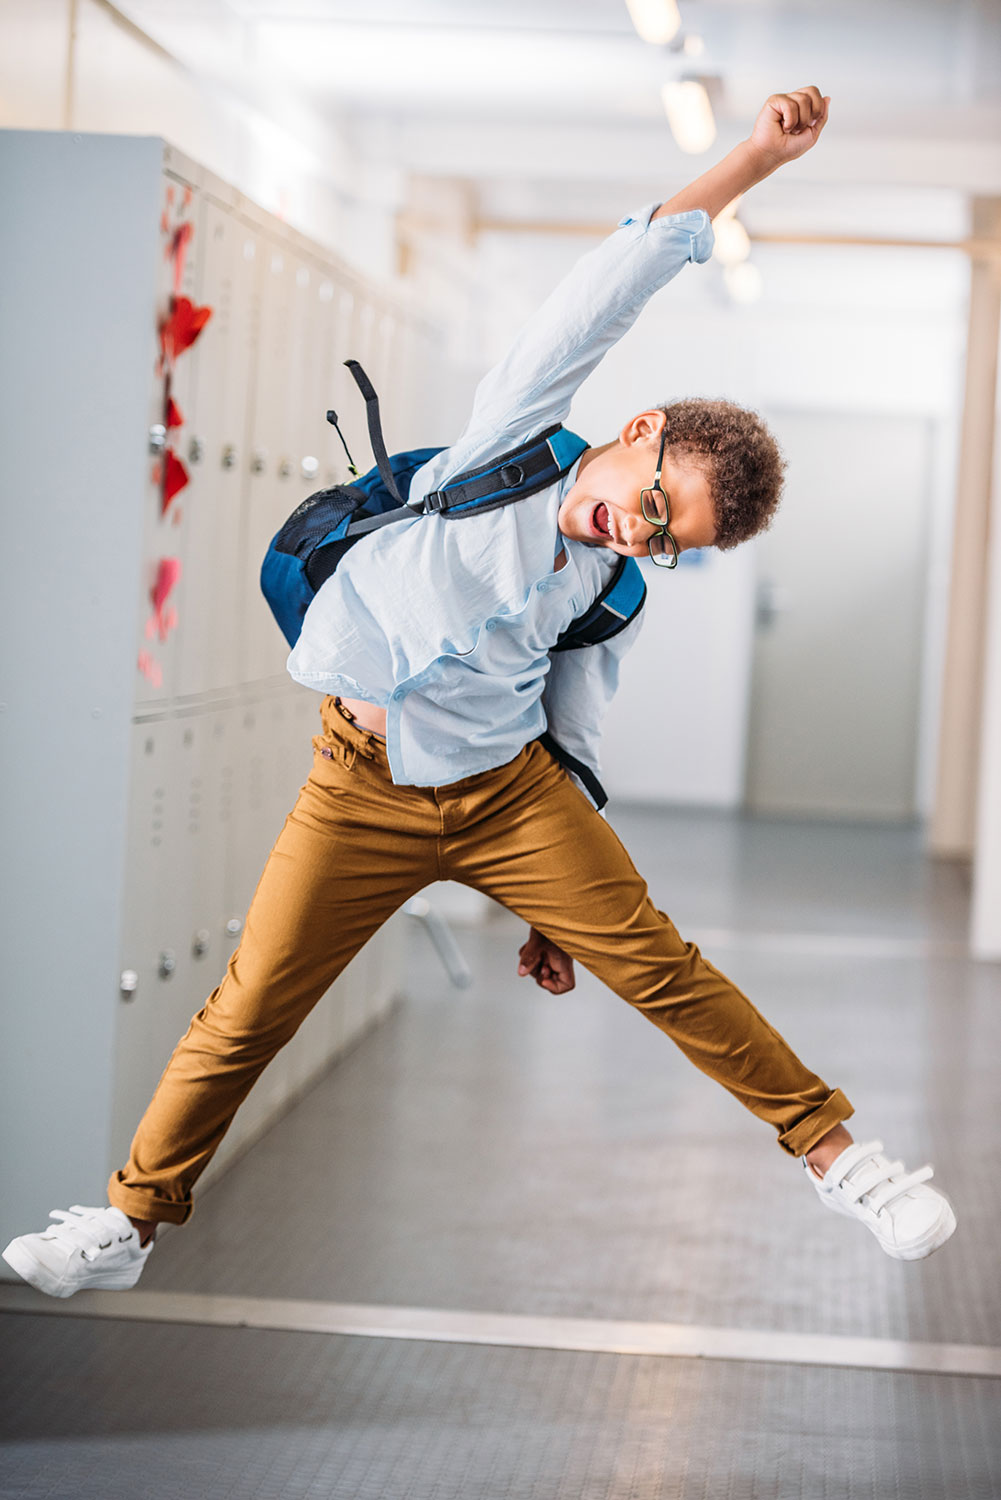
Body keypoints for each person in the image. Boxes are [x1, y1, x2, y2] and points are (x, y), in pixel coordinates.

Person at [2, 86, 956, 1300]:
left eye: (667, 540)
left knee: (659, 964)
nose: (640, 528)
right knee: (249, 1008)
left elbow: (577, 732)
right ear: (636, 432)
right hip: (356, 788)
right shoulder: (511, 437)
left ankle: (841, 1160)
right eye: (652, 500)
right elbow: (611, 282)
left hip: (507, 795)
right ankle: (128, 1223)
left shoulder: (609, 589)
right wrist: (751, 161)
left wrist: (553, 911)